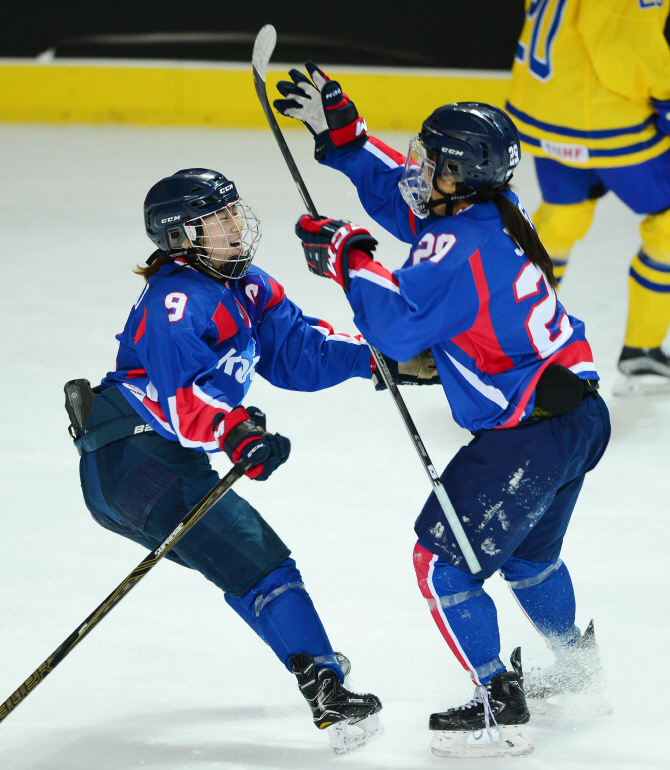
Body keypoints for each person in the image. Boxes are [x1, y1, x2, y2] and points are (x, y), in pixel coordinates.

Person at [274, 65, 611, 757]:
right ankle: (577, 671)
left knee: (440, 564)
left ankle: (498, 706)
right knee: (527, 560)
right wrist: (347, 141)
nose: (419, 168)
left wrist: (348, 256)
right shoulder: (488, 214)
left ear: (459, 174)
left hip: (530, 434)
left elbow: (396, 330)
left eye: (431, 161)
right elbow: (410, 210)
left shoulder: (462, 244)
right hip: (578, 417)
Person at [66, 168, 382, 753]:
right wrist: (235, 431)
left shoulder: (249, 286)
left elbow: (299, 355)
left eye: (235, 212)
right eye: (218, 218)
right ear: (182, 236)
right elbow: (186, 402)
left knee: (247, 569)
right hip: (137, 461)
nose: (236, 226)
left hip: (153, 463)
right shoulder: (177, 298)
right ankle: (326, 686)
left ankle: (313, 666)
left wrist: (375, 359)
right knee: (263, 564)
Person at [505, 0, 670, 396]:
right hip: (603, 114)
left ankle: (509, 346)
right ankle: (642, 354)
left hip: (546, 108)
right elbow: (623, 46)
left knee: (562, 217)